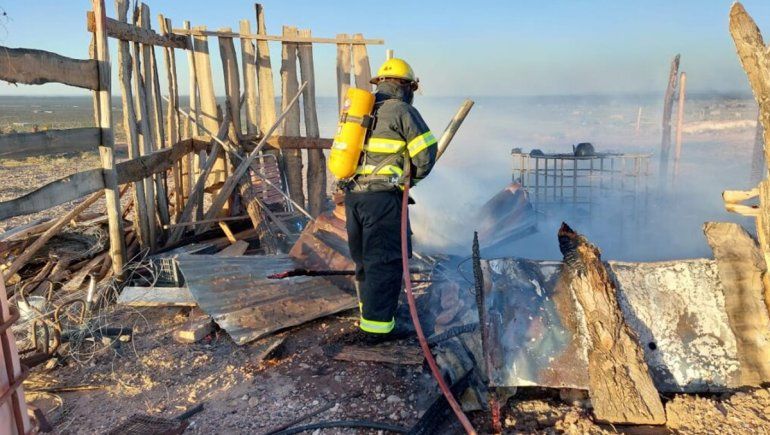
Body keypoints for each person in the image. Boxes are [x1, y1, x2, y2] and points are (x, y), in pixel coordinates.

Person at [342, 58, 438, 342]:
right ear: (406, 85)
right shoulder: (403, 111)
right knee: (385, 262)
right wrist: (411, 182)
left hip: (354, 196)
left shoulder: (364, 110)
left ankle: (369, 315)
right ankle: (378, 329)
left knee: (365, 261)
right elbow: (425, 154)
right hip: (382, 200)